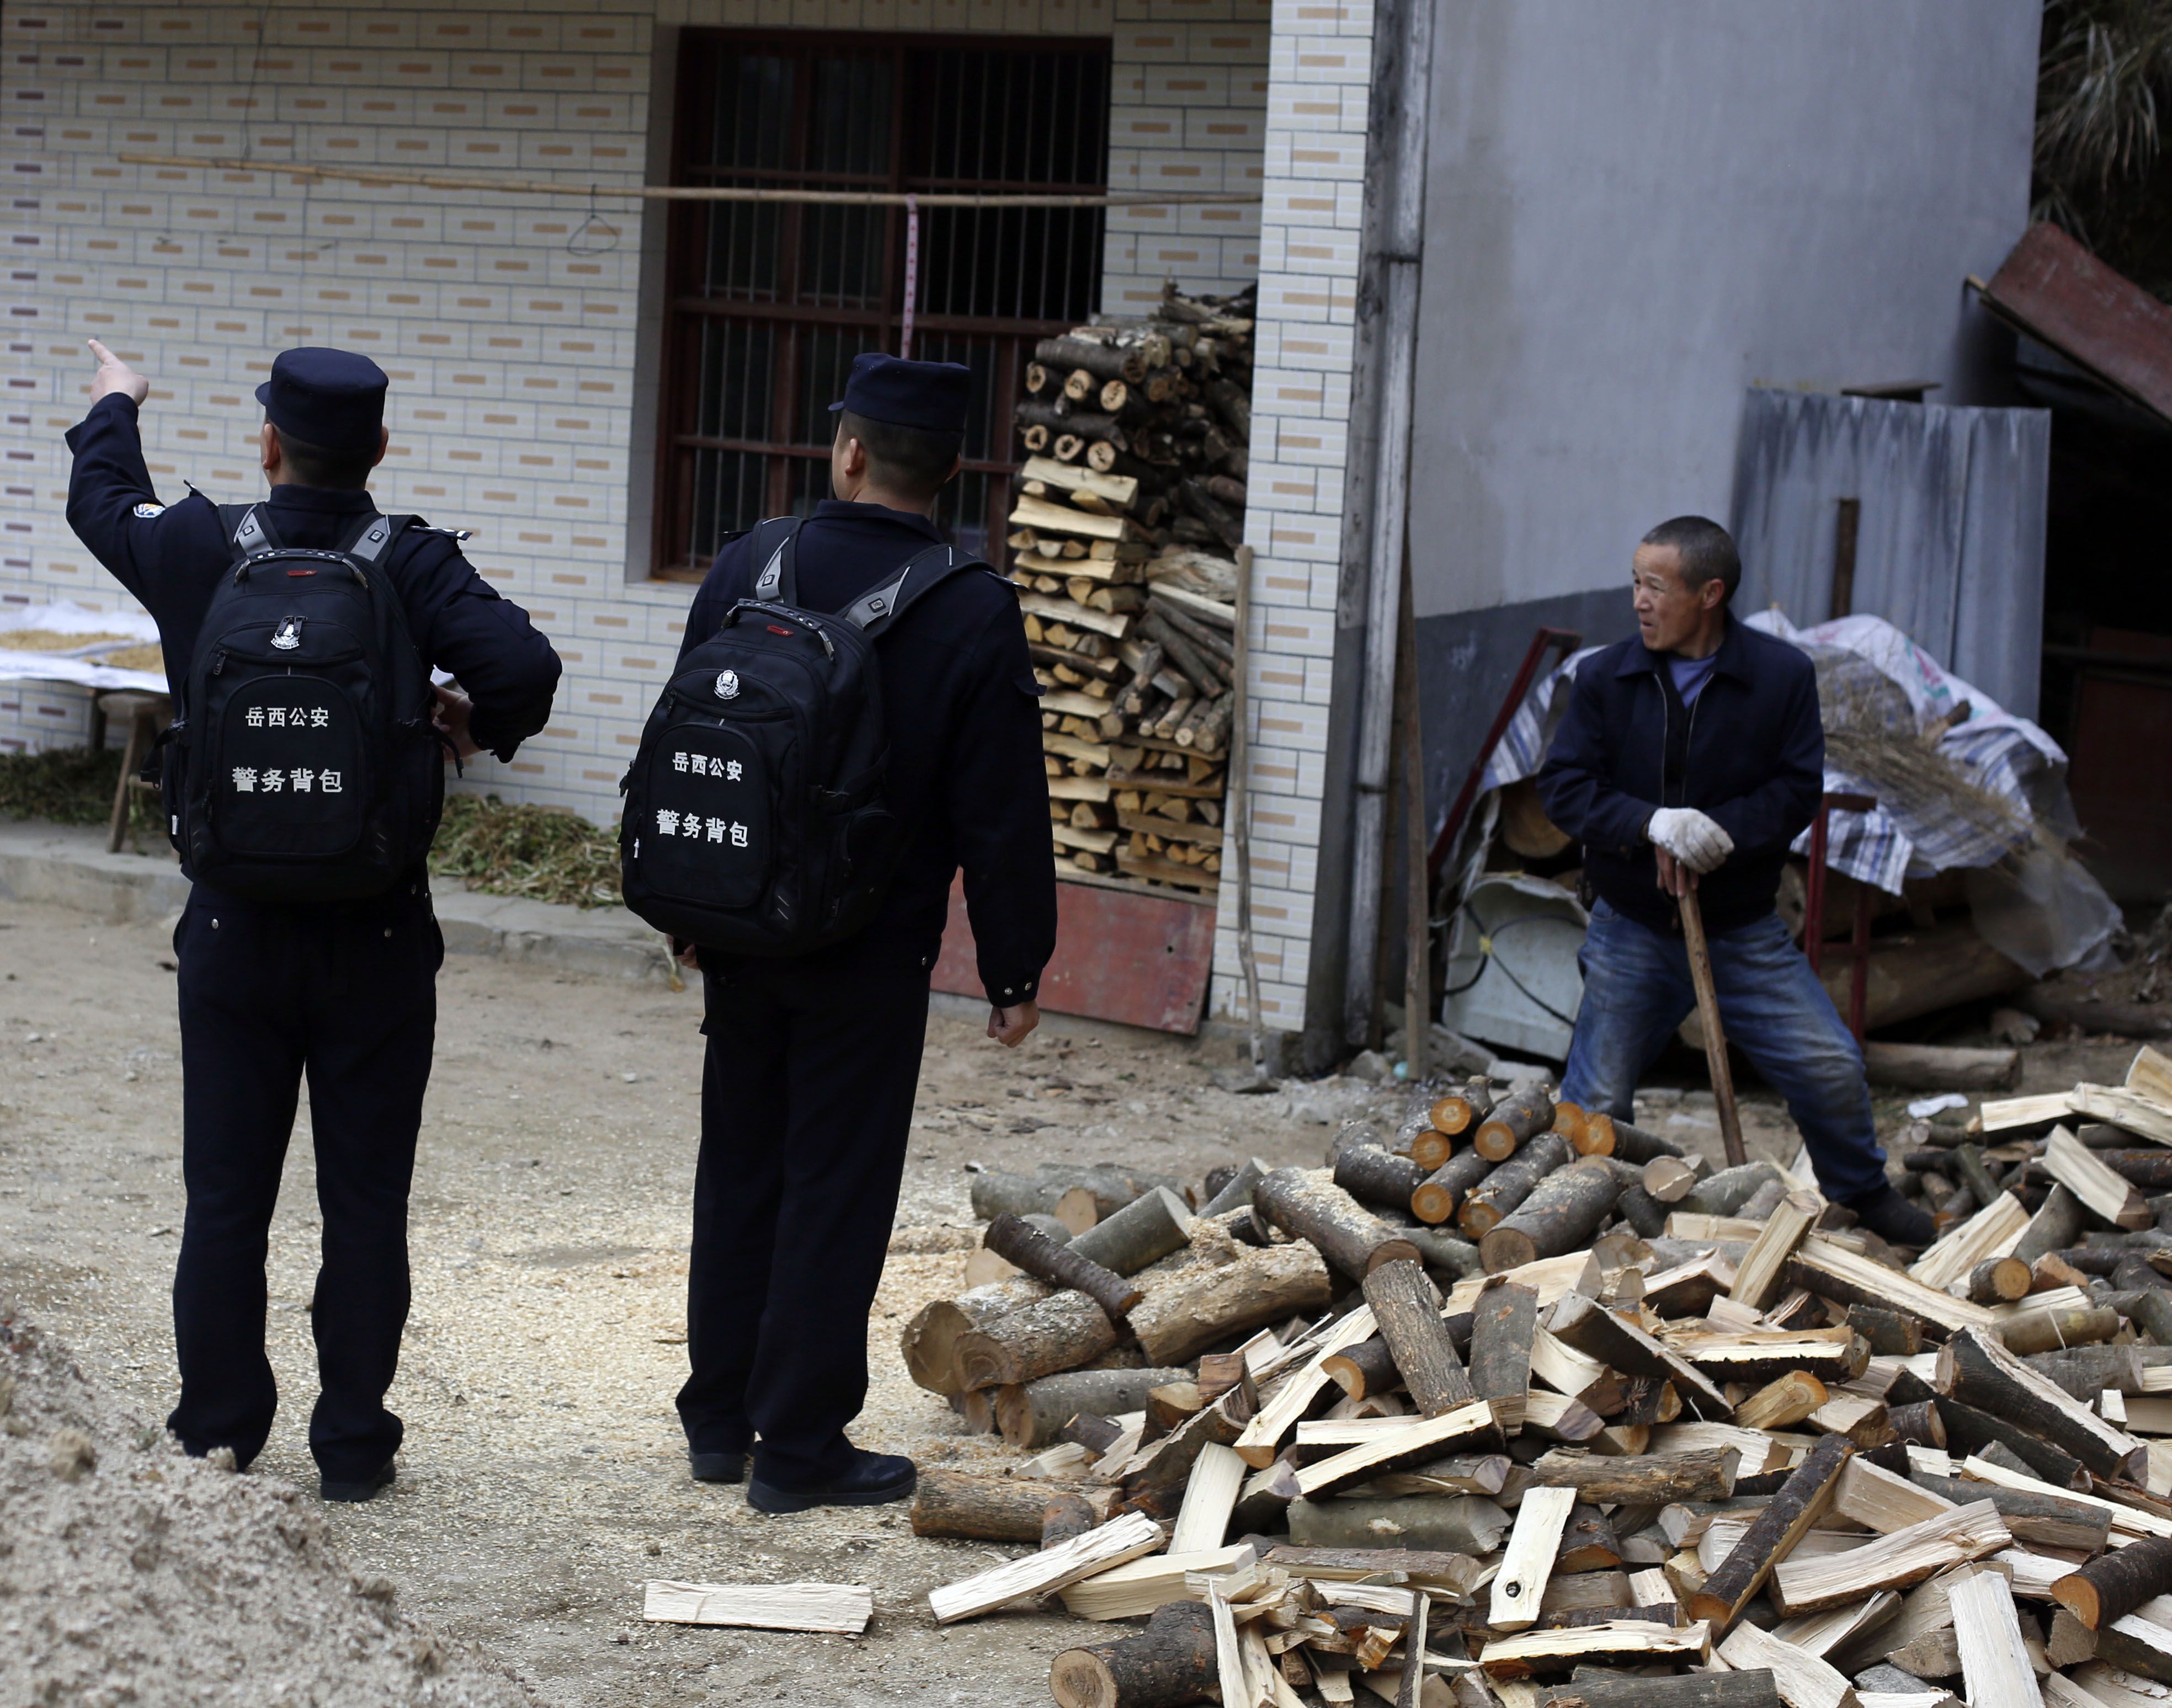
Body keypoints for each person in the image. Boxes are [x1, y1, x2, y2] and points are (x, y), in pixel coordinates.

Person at [64, 339, 564, 1499]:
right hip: (377, 936)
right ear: (380, 451)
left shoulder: (202, 547)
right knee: (365, 1202)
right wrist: (467, 723)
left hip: (233, 929)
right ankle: (351, 1446)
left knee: (227, 1197)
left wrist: (116, 402)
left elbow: (101, 502)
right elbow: (525, 667)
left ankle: (216, 1430)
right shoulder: (413, 562)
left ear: (268, 444)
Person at [671, 353, 1057, 1514]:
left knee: (739, 1165)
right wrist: (1013, 966)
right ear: (946, 474)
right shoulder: (971, 607)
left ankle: (716, 1418)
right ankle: (796, 1450)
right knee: (834, 1187)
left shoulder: (753, 561)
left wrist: (692, 908)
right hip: (870, 947)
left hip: (742, 930)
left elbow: (688, 721)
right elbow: (1002, 811)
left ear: (847, 451)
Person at [1536, 515, 1931, 1247]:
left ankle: (1861, 1189)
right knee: (1594, 1099)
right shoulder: (1606, 678)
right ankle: (1570, 1222)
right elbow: (1564, 788)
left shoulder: (1780, 677)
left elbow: (1794, 788)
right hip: (1633, 926)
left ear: (1709, 592)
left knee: (1830, 1062)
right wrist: (1652, 824)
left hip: (1742, 926)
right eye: (1636, 583)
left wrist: (1713, 836)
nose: (1639, 601)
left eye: (1656, 586)